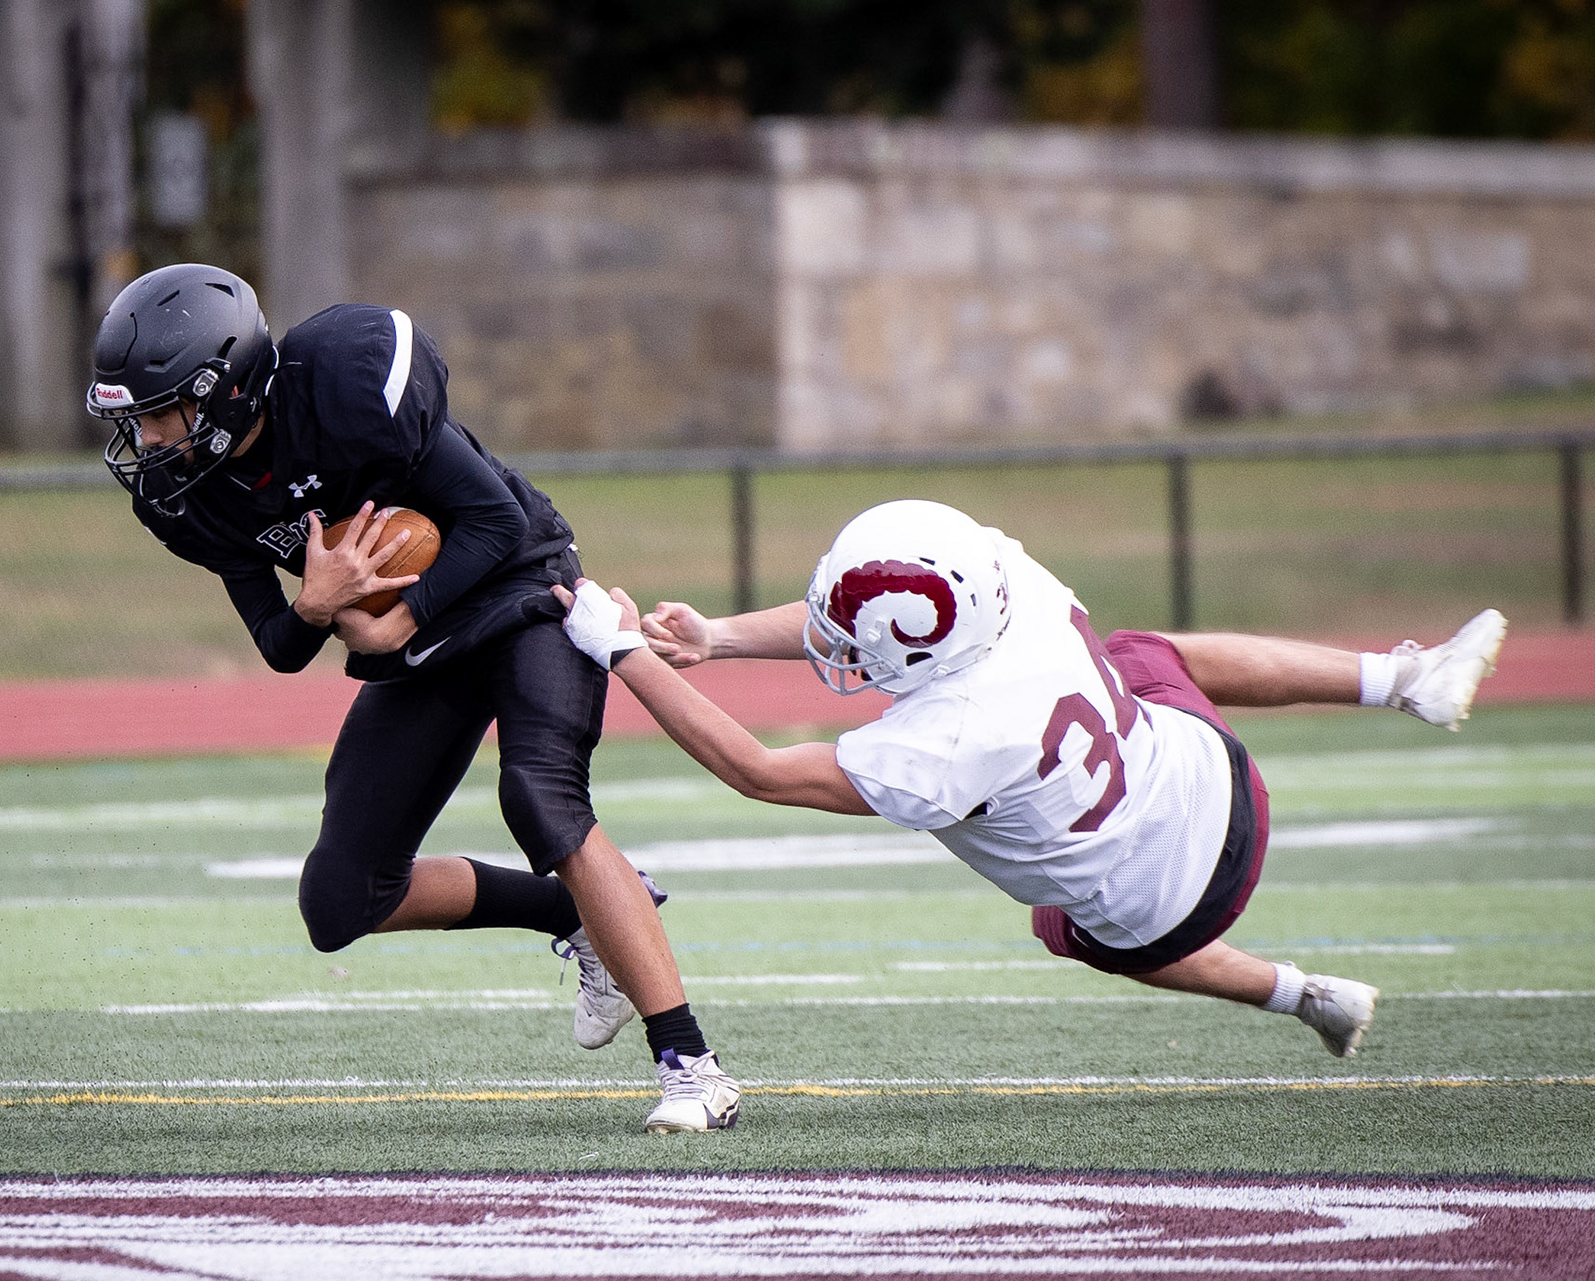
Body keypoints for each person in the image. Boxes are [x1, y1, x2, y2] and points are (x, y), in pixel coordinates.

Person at [85, 263, 738, 1134]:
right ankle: (586, 915)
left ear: (226, 391)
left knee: (537, 797)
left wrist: (402, 620)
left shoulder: (347, 390)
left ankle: (694, 1068)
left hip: (522, 593)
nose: (146, 437)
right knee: (340, 900)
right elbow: (281, 644)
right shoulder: (187, 500)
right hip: (428, 645)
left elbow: (498, 520)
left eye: (158, 412)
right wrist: (318, 605)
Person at [556, 498, 1508, 1056]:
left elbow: (756, 770)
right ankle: (1404, 680)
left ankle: (1299, 991)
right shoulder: (1016, 591)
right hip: (1219, 781)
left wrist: (623, 652)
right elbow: (863, 626)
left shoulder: (946, 741)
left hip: (1171, 914)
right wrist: (717, 638)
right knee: (1139, 648)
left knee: (1075, 927)